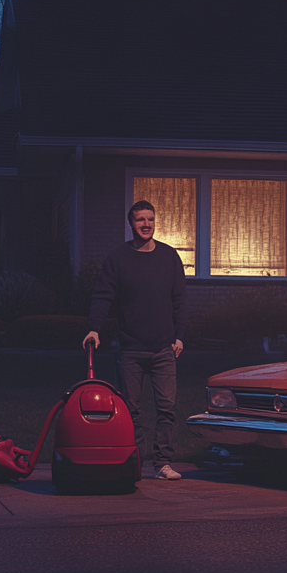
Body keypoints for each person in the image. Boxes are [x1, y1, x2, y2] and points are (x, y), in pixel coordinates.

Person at [83, 199, 187, 481]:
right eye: (140, 220)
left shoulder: (169, 256)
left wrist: (180, 336)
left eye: (150, 220)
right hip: (130, 348)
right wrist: (95, 328)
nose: (146, 225)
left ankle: (163, 463)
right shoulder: (118, 257)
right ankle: (136, 464)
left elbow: (179, 300)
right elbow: (103, 294)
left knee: (167, 408)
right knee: (131, 411)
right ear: (131, 223)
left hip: (165, 348)